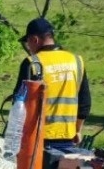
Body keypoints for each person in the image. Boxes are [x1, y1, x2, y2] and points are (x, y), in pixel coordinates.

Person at [13, 17, 91, 152]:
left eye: (28, 42)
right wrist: (77, 130)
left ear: (35, 40)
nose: (29, 47)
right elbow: (85, 103)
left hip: (37, 138)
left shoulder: (32, 63)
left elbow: (18, 103)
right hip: (68, 138)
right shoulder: (76, 61)